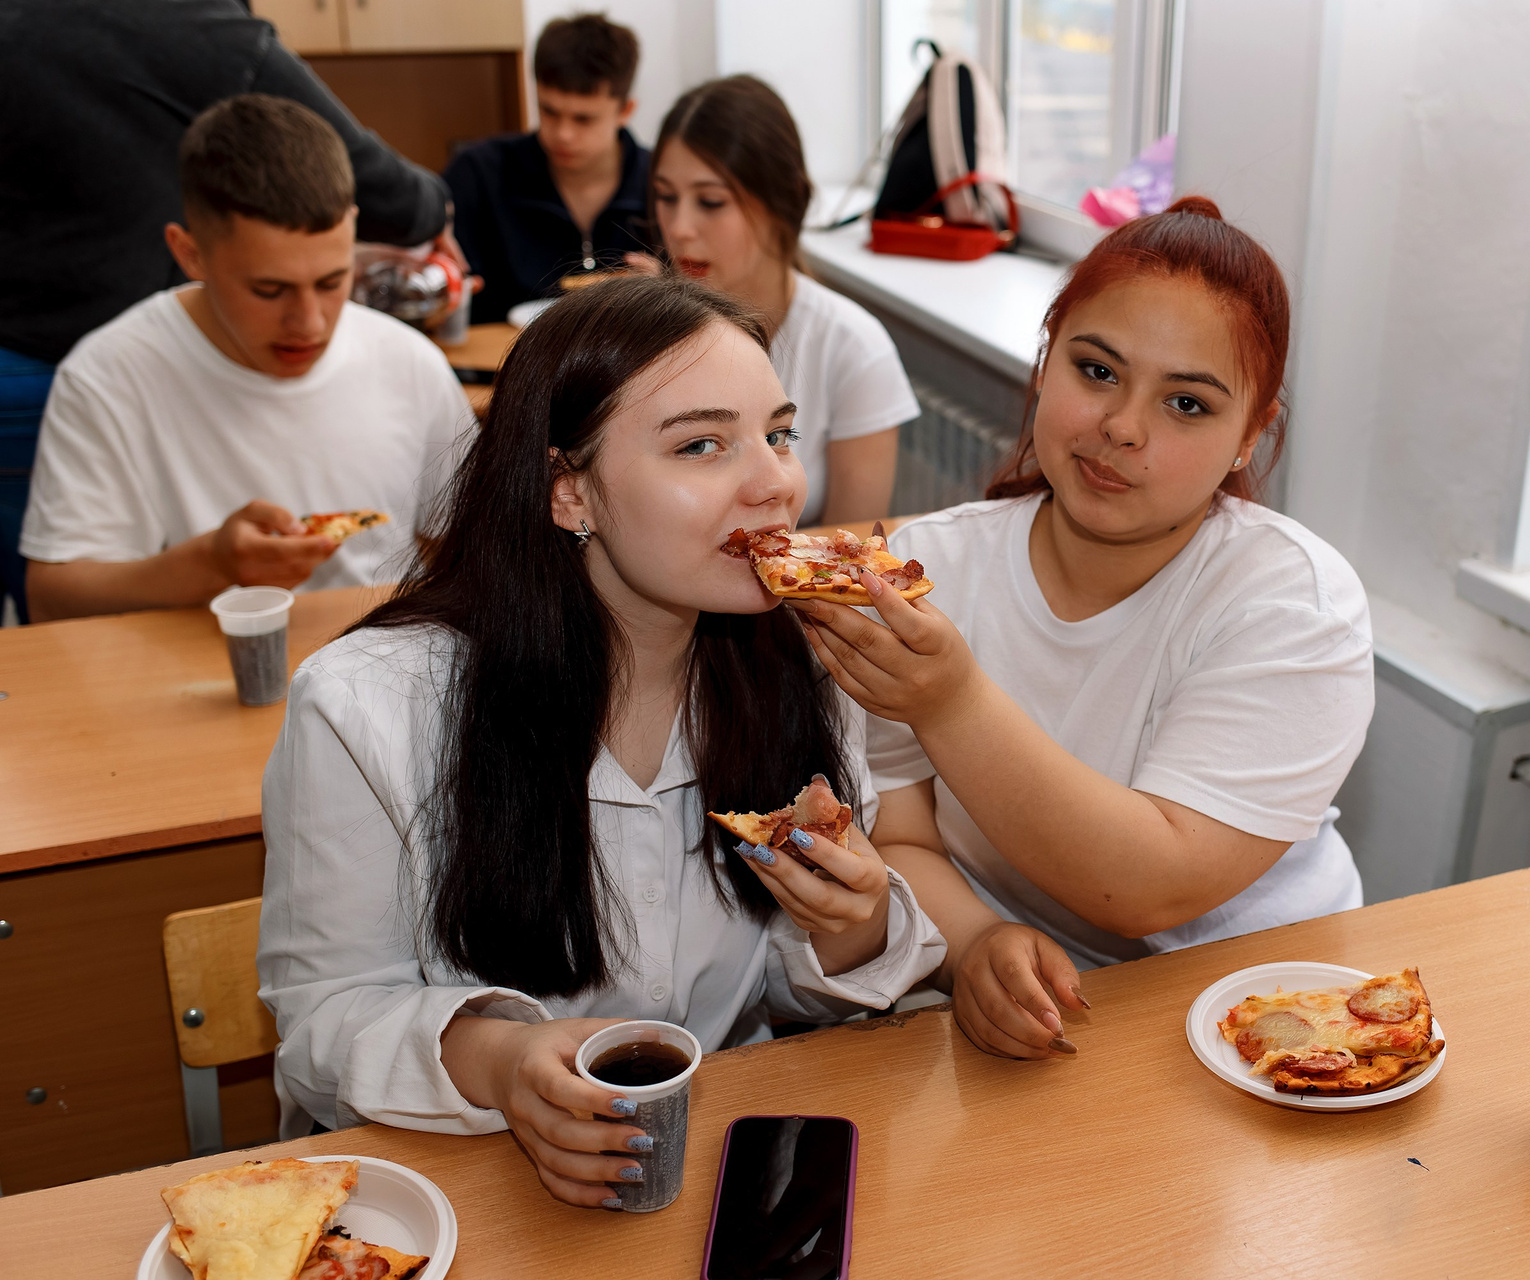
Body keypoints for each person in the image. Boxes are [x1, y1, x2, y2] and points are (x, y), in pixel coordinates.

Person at [257, 274, 946, 1209]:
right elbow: (322, 1026)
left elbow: (787, 1004)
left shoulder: (807, 662)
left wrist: (850, 923)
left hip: (717, 1163)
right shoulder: (365, 703)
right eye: (702, 445)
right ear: (569, 492)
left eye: (778, 435)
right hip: (467, 1192)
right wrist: (502, 1062)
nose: (776, 483)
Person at [792, 198, 1375, 1059]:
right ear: (1045, 361)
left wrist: (949, 701)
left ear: (1251, 435)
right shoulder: (926, 570)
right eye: (1097, 371)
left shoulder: (1293, 605)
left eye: (1187, 404)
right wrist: (974, 942)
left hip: (1269, 1012)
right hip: (1042, 1003)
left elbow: (1151, 886)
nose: (1122, 428)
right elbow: (902, 836)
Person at [0, 0, 455, 623]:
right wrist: (213, 563)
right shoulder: (107, 375)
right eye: (269, 290)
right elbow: (54, 601)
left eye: (331, 281)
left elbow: (478, 551)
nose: (310, 323)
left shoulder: (411, 364)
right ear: (189, 254)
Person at [652, 76, 915, 527]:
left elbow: (853, 550)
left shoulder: (854, 349)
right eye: (665, 197)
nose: (679, 227)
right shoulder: (645, 334)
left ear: (783, 201)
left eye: (710, 202)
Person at [444, 13, 656, 325]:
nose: (563, 134)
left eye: (583, 119)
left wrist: (667, 292)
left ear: (625, 111)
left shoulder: (662, 184)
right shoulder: (478, 174)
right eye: (549, 111)